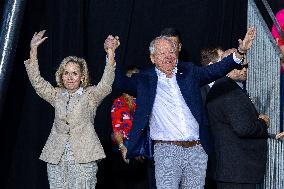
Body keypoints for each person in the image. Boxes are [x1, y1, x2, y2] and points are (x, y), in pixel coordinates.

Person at [106, 27, 256, 189]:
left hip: (196, 149)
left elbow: (216, 70)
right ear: (152, 58)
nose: (168, 56)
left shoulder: (190, 71)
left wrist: (240, 52)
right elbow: (120, 82)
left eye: (171, 51)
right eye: (162, 53)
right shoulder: (144, 80)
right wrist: (111, 54)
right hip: (166, 150)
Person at [24, 30, 118, 188]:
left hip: (83, 157)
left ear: (82, 76)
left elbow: (106, 83)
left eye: (74, 73)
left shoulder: (91, 95)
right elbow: (38, 83)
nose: (70, 77)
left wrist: (110, 53)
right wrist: (33, 50)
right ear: (61, 76)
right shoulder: (57, 94)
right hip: (56, 156)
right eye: (66, 73)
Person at [111, 68, 148, 189]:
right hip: (125, 152)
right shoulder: (119, 102)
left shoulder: (145, 100)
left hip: (144, 154)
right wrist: (123, 147)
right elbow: (117, 129)